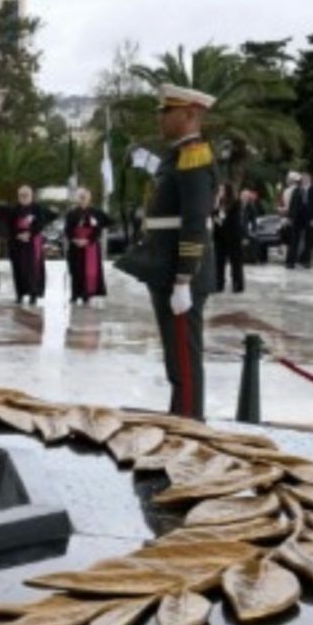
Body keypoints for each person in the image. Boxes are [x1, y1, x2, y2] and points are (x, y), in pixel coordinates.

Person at [115, 84, 217, 418]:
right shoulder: (177, 156)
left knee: (185, 361)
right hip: (167, 269)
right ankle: (180, 419)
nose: (160, 117)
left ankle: (189, 427)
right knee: (177, 361)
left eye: (167, 111)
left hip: (178, 271)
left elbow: (194, 221)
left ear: (190, 114)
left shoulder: (193, 157)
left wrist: (184, 277)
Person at [64, 188, 111, 305]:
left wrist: (89, 238)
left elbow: (104, 224)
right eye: (81, 197)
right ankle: (75, 295)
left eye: (85, 197)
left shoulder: (96, 212)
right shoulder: (72, 213)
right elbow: (67, 229)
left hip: (90, 245)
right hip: (76, 245)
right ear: (78, 199)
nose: (83, 199)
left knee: (88, 272)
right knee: (75, 271)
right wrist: (74, 239)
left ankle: (87, 294)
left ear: (89, 199)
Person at [8, 185, 53, 305]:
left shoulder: (37, 209)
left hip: (32, 243)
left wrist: (29, 234)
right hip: (17, 243)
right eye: (21, 195)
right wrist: (18, 235)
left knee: (32, 270)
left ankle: (33, 294)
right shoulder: (14, 209)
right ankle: (20, 294)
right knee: (18, 269)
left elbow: (40, 224)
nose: (24, 197)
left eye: (26, 195)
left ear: (31, 196)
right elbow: (9, 226)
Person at [212, 181, 245, 294]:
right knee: (219, 261)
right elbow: (215, 217)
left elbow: (228, 219)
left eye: (222, 189)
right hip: (220, 236)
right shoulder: (219, 202)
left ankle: (237, 284)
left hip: (233, 235)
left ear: (227, 190)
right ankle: (219, 283)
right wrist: (216, 205)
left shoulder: (236, 202)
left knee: (235, 261)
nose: (220, 191)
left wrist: (219, 218)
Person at [286, 172, 313, 268]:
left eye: (306, 178)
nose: (304, 180)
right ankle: (290, 262)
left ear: (310, 179)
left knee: (308, 240)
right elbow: (292, 205)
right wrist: (290, 217)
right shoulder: (297, 190)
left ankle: (306, 261)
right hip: (297, 218)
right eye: (303, 179)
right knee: (294, 240)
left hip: (309, 218)